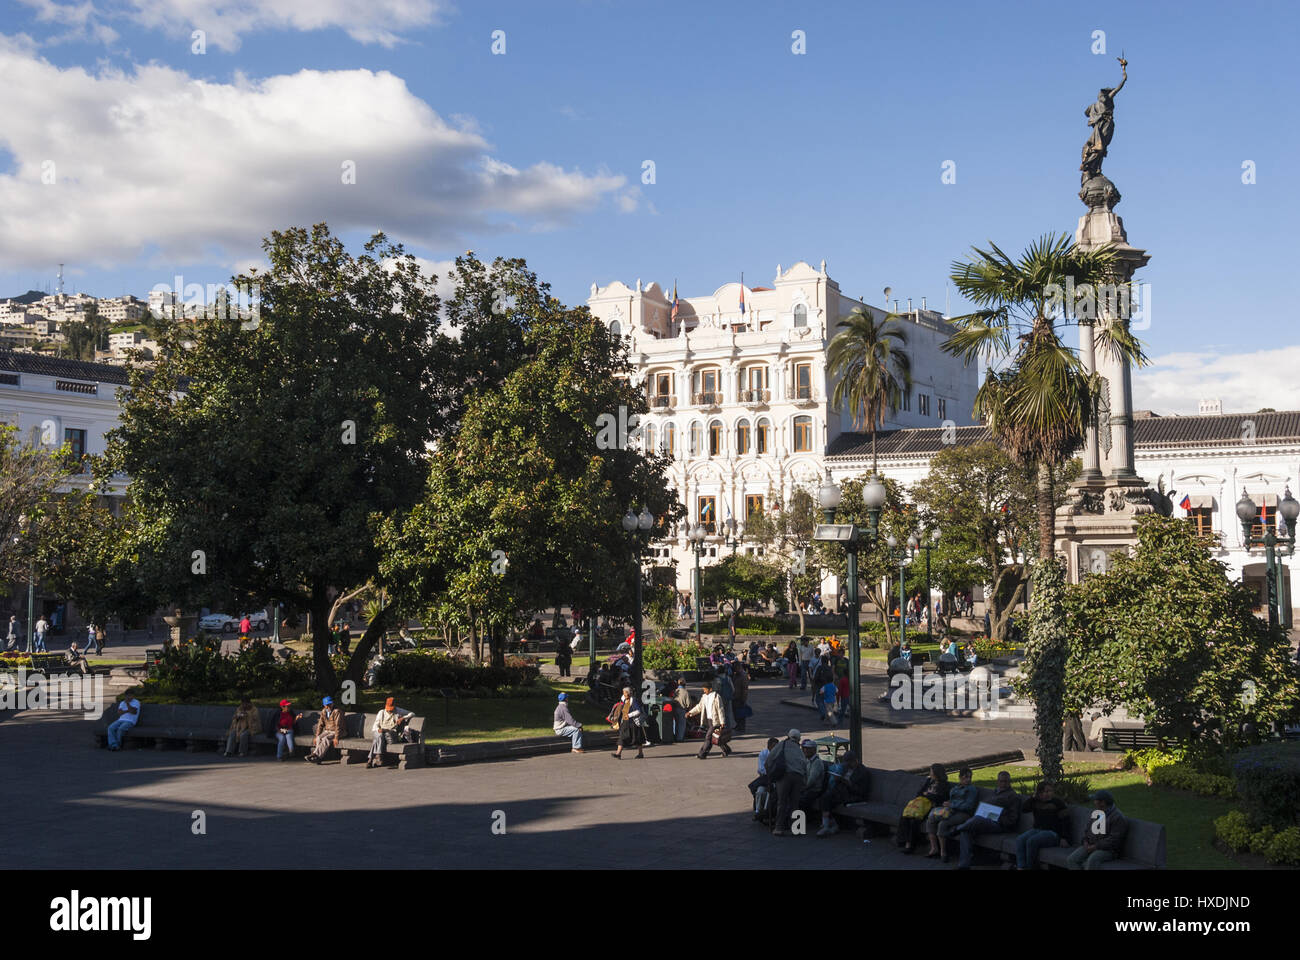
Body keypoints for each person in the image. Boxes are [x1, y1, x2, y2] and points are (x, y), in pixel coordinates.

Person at [954, 770, 1023, 869]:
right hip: (984, 821)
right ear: (997, 781)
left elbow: (1012, 819)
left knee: (977, 819)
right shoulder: (993, 792)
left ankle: (956, 829)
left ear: (1009, 782)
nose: (1003, 784)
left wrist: (997, 817)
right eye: (1001, 781)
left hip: (999, 825)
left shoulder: (1013, 796)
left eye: (1006, 781)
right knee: (966, 831)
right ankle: (963, 865)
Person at [925, 767, 978, 861]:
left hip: (963, 814)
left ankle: (943, 852)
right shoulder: (955, 788)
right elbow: (952, 800)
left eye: (970, 777)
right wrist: (947, 803)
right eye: (966, 777)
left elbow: (968, 806)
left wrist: (952, 804)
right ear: (960, 777)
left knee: (943, 823)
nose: (968, 779)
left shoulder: (972, 789)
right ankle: (934, 848)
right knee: (931, 819)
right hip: (951, 811)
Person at [815, 750, 872, 836]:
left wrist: (849, 784)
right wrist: (839, 779)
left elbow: (862, 791)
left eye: (850, 762)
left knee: (829, 799)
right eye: (847, 762)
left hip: (853, 795)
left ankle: (828, 825)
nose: (848, 765)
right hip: (842, 792)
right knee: (825, 797)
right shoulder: (846, 768)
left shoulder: (863, 772)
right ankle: (829, 824)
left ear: (856, 760)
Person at [1015, 781, 1070, 870]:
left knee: (1031, 841)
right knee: (1020, 839)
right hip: (1037, 830)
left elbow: (1065, 821)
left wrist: (1064, 838)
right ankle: (1021, 867)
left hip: (1052, 833)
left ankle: (1030, 867)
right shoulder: (1036, 802)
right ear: (1039, 793)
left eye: (1050, 791)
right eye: (1044, 791)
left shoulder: (1057, 803)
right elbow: (1024, 809)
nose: (1048, 794)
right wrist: (1033, 798)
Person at [1068, 790, 1129, 869]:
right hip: (1090, 845)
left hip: (1108, 850)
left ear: (1102, 803)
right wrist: (1085, 841)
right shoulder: (1097, 813)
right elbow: (1088, 830)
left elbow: (1114, 840)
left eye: (1095, 800)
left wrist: (1096, 846)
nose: (1094, 802)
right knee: (1072, 859)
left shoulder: (1117, 818)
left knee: (1091, 861)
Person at [897, 763, 950, 853]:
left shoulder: (944, 785)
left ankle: (911, 845)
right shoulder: (929, 781)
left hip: (932, 807)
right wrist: (929, 795)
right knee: (905, 816)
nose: (930, 773)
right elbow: (919, 793)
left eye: (931, 771)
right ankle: (904, 841)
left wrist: (928, 795)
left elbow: (940, 799)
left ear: (936, 773)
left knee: (915, 821)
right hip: (921, 805)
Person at [767, 729, 807, 836]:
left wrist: (770, 775)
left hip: (785, 776)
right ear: (798, 739)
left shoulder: (782, 745)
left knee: (782, 802)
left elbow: (770, 759)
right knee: (795, 803)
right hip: (798, 777)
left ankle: (779, 828)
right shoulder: (799, 750)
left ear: (788, 736)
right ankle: (796, 828)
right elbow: (804, 764)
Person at [685, 681, 729, 759]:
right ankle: (727, 750)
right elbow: (699, 707)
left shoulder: (716, 696)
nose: (704, 691)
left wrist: (722, 722)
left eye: (705, 689)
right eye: (703, 689)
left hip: (716, 721)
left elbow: (720, 709)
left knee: (708, 737)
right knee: (716, 737)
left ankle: (702, 754)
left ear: (710, 689)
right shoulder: (704, 697)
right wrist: (690, 712)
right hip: (708, 720)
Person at [368, 696, 413, 768]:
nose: (389, 710)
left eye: (391, 709)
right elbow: (375, 727)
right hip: (380, 732)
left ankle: (371, 759)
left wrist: (403, 718)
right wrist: (378, 729)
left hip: (390, 735)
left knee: (377, 739)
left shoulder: (398, 710)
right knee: (379, 736)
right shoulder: (381, 712)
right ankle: (378, 756)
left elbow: (412, 713)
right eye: (388, 709)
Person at [608, 687, 647, 760]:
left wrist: (629, 715)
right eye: (623, 692)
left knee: (638, 738)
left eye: (625, 692)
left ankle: (640, 753)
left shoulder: (634, 700)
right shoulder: (624, 700)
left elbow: (638, 711)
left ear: (629, 693)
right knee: (622, 737)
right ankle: (618, 753)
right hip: (625, 722)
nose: (624, 694)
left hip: (633, 722)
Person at [307, 696, 344, 763]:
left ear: (332, 704)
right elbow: (320, 724)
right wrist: (316, 736)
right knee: (319, 738)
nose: (328, 707)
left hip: (336, 731)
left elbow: (338, 726)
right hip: (327, 730)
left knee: (326, 739)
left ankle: (316, 755)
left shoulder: (337, 711)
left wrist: (336, 737)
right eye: (327, 705)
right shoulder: (324, 711)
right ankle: (317, 757)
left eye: (330, 704)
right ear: (324, 705)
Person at [799, 739, 827, 812]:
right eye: (804, 748)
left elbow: (811, 781)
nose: (805, 750)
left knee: (800, 800)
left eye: (808, 749)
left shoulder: (817, 762)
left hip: (815, 790)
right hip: (808, 788)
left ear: (814, 750)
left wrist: (802, 789)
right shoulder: (808, 761)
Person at [731, 660, 750, 733]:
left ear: (739, 667)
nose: (735, 669)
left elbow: (745, 689)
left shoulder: (743, 675)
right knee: (735, 712)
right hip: (735, 696)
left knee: (741, 713)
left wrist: (744, 699)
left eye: (735, 667)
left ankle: (741, 726)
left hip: (740, 697)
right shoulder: (736, 674)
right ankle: (738, 725)